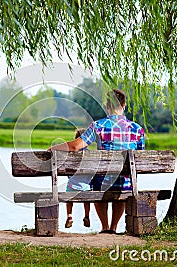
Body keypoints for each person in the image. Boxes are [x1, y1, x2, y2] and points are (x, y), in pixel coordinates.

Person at [48, 89, 145, 234]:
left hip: (102, 182)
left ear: (107, 106)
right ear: (124, 106)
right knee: (124, 181)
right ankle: (113, 228)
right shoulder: (137, 129)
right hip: (126, 183)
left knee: (96, 180)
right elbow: (140, 158)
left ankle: (105, 227)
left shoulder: (98, 126)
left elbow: (75, 146)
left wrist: (53, 147)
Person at [65, 128, 91, 228]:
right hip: (85, 187)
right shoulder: (91, 154)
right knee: (87, 198)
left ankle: (70, 216)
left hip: (72, 185)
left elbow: (67, 170)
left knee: (69, 198)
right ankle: (87, 216)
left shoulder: (70, 154)